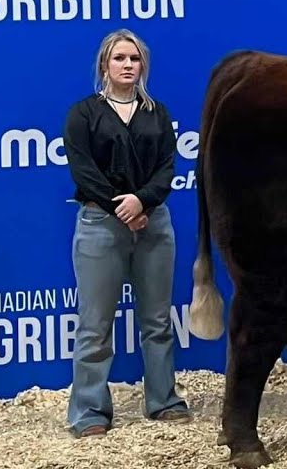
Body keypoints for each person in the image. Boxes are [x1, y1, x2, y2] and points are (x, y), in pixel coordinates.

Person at [63, 29, 191, 438]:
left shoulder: (157, 113)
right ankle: (89, 412)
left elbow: (167, 169)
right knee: (94, 325)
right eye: (119, 58)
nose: (127, 65)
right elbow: (83, 170)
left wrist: (142, 202)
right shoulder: (83, 114)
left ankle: (164, 400)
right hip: (100, 225)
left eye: (134, 59)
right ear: (105, 64)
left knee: (157, 320)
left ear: (143, 66)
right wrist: (122, 207)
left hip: (154, 224)